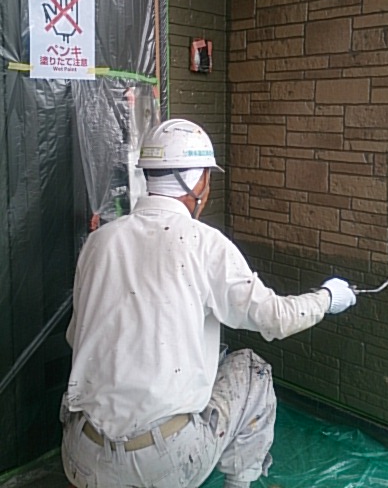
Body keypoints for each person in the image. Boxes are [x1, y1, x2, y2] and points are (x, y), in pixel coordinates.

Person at [61, 118, 357, 488]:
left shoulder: (99, 242)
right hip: (160, 466)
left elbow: (77, 337)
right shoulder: (204, 244)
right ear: (198, 182)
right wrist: (328, 298)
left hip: (82, 455)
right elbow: (276, 318)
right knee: (252, 370)